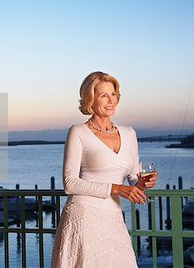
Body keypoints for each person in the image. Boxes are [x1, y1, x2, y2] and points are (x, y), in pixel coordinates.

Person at [51, 71, 158, 268]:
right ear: (90, 100)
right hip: (83, 215)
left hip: (114, 216)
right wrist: (117, 189)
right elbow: (70, 183)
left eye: (114, 94)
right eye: (103, 95)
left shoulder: (129, 133)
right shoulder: (78, 132)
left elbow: (133, 178)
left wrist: (141, 183)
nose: (111, 100)